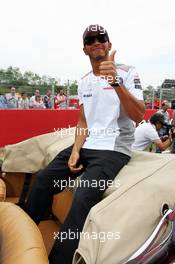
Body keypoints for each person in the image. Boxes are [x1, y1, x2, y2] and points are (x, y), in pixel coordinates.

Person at [24, 24, 145, 264]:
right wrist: (76, 149)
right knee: (42, 181)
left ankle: (58, 260)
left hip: (114, 149)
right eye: (91, 40)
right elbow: (82, 121)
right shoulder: (84, 81)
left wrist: (115, 82)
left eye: (102, 38)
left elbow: (139, 115)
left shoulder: (128, 72)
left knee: (83, 196)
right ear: (85, 49)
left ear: (109, 45)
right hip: (87, 145)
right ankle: (23, 237)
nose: (96, 42)